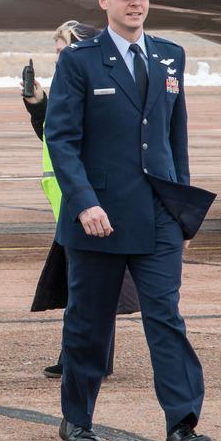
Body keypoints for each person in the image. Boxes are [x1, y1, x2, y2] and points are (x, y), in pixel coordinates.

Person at [45, 0, 216, 441]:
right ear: (103, 1)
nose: (135, 2)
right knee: (90, 323)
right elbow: (61, 139)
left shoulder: (169, 56)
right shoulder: (80, 60)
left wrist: (183, 206)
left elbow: (173, 135)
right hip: (98, 218)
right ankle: (77, 417)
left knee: (165, 318)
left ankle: (181, 426)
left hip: (159, 215)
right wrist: (84, 204)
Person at [25, 21, 139, 379]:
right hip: (70, 203)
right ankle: (77, 354)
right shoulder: (69, 84)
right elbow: (57, 137)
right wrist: (39, 106)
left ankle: (91, 358)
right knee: (81, 287)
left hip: (88, 202)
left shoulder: (95, 83)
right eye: (58, 52)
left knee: (95, 285)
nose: (61, 58)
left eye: (65, 50)